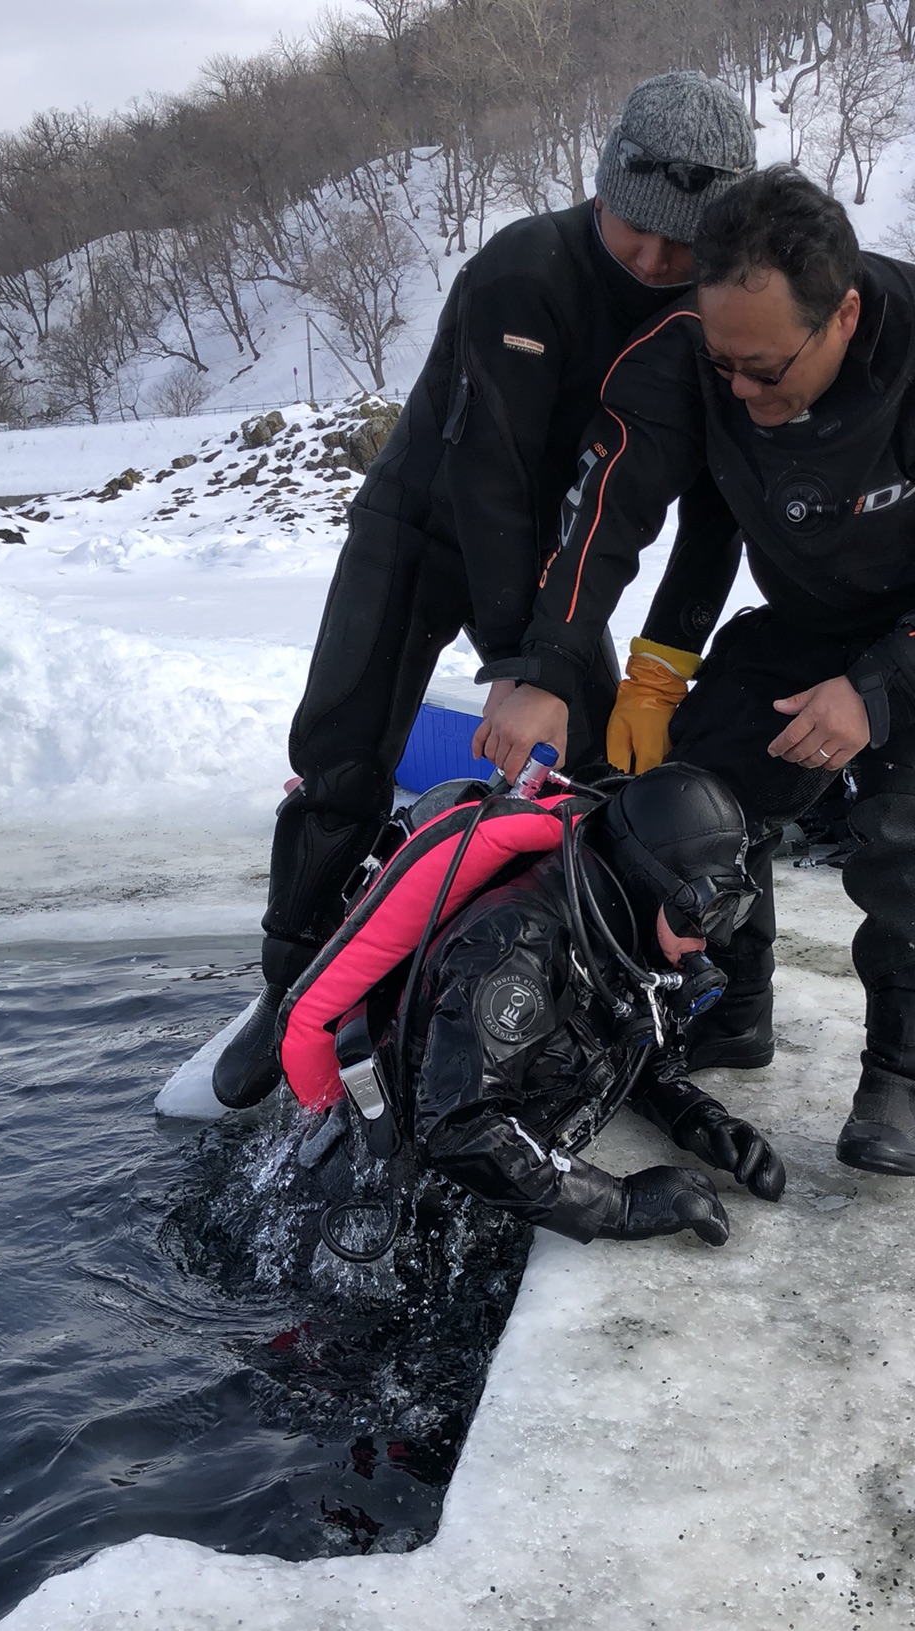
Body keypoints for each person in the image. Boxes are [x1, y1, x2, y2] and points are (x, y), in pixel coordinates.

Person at [477, 165, 915, 1180]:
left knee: (912, 821)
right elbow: (610, 511)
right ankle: (733, 1007)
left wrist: (884, 690)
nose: (743, 393)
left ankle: (897, 1082)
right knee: (695, 794)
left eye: (765, 369)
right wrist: (549, 663)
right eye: (725, 367)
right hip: (810, 616)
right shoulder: (698, 357)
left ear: (842, 314)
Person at [214, 70, 757, 1111]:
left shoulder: (715, 306)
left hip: (559, 553)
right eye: (630, 231)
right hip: (422, 523)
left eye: (677, 248)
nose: (650, 262)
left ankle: (599, 981)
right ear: (599, 190)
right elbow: (489, 475)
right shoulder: (524, 271)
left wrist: (624, 663)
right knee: (341, 757)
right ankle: (288, 991)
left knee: (598, 776)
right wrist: (522, 667)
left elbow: (691, 501)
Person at [280, 764, 785, 1248]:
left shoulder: (615, 932)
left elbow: (622, 1040)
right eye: (704, 910)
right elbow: (460, 1128)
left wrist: (698, 1119)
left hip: (466, 1190)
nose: (713, 938)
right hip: (367, 1213)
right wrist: (620, 1205)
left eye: (732, 908)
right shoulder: (514, 946)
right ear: (645, 881)